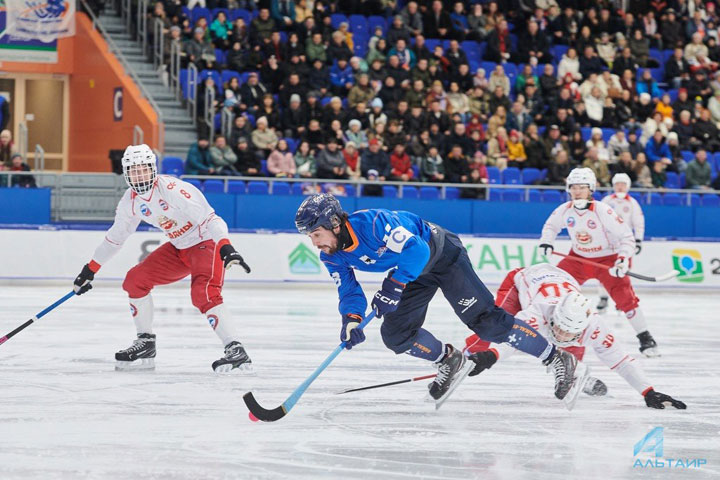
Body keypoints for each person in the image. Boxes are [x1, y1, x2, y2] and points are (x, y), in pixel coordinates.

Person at [294, 193, 582, 404]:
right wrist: (351, 320)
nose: (315, 242)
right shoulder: (331, 256)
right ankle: (448, 359)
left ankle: (556, 357)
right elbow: (348, 290)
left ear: (334, 223)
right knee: (395, 334)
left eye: (317, 234)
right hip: (412, 270)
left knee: (486, 322)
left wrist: (394, 286)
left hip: (443, 255)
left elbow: (418, 250)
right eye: (310, 237)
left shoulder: (375, 223)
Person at [71, 145, 253, 373]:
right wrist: (90, 269)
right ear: (126, 174)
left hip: (205, 243)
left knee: (203, 293)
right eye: (133, 171)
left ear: (153, 169)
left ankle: (235, 349)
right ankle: (145, 342)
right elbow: (115, 238)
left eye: (143, 169)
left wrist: (226, 247)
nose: (139, 175)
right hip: (179, 247)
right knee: (134, 280)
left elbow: (211, 219)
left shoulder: (173, 189)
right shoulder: (130, 201)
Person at [462, 264, 686, 410]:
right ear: (555, 316)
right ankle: (464, 357)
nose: (561, 335)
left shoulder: (595, 326)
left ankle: (574, 371)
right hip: (524, 279)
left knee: (570, 352)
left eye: (570, 332)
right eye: (559, 327)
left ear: (583, 326)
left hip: (563, 279)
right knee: (491, 327)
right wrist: (489, 356)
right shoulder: (539, 311)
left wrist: (648, 391)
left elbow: (621, 361)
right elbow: (513, 337)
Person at [539, 168, 660, 357]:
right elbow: (551, 226)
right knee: (555, 287)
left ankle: (646, 338)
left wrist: (622, 259)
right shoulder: (564, 210)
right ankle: (550, 332)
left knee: (626, 299)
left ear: (591, 189)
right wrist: (546, 242)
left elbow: (626, 236)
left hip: (607, 260)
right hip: (577, 259)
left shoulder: (603, 210)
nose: (577, 191)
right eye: (573, 187)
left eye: (582, 187)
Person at [595, 173, 646, 313]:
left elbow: (638, 222)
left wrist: (639, 240)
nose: (620, 187)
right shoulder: (606, 200)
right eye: (617, 184)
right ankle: (603, 298)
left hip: (625, 244)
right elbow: (597, 219)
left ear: (628, 186)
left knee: (622, 273)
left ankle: (621, 300)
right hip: (607, 243)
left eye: (623, 184)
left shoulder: (632, 203)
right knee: (602, 271)